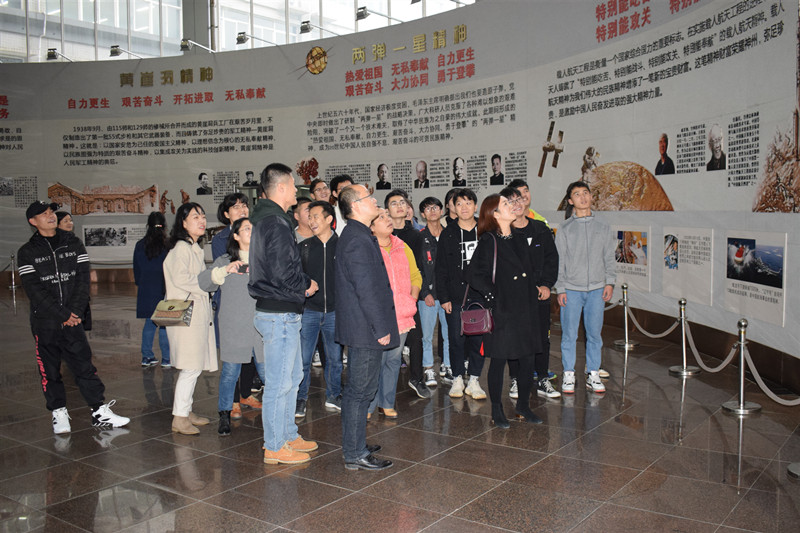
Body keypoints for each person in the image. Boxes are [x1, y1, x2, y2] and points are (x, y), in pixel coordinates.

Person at [18, 200, 130, 434]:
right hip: (45, 323)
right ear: (33, 221)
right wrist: (62, 314)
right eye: (44, 213)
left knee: (84, 366)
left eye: (51, 211)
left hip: (74, 320)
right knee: (49, 371)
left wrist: (75, 312)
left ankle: (99, 410)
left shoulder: (73, 243)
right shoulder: (27, 252)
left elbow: (82, 279)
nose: (50, 215)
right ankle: (58, 412)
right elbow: (34, 290)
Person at [248, 163, 319, 465]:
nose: (295, 190)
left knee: (293, 377)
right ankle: (274, 445)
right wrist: (306, 284)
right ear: (280, 187)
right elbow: (281, 271)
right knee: (279, 383)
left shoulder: (272, 219)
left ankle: (288, 434)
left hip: (282, 310)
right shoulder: (275, 222)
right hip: (279, 312)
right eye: (292, 185)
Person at [466, 194, 543, 427]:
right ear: (495, 214)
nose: (512, 206)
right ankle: (497, 409)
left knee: (527, 359)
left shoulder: (519, 237)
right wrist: (493, 297)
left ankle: (523, 406)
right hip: (503, 310)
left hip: (526, 308)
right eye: (506, 204)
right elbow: (473, 274)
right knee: (499, 360)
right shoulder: (489, 240)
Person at [336, 184, 397, 471]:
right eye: (369, 198)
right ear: (356, 205)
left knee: (364, 389)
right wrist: (380, 326)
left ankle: (356, 442)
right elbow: (366, 289)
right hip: (364, 328)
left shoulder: (359, 234)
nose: (375, 201)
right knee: (359, 391)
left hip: (364, 325)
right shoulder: (356, 239)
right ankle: (354, 452)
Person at [198, 218, 264, 436]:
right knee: (230, 373)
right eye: (246, 228)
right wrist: (225, 270)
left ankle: (277, 415)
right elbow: (204, 283)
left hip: (261, 327)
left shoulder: (263, 259)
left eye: (253, 228)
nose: (251, 231)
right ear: (235, 236)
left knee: (267, 372)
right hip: (234, 326)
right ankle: (224, 414)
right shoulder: (225, 261)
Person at [555, 182, 616, 395]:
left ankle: (593, 373)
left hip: (597, 289)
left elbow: (609, 257)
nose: (582, 197)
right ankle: (569, 373)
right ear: (570, 201)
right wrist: (561, 288)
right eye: (577, 194)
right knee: (569, 334)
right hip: (571, 289)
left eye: (585, 193)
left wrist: (609, 282)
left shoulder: (603, 226)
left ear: (591, 196)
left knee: (594, 334)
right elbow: (560, 261)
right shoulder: (565, 228)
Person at [163, 203, 217, 435]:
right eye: (195, 217)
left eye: (203, 216)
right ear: (183, 223)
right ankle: (180, 418)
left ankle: (186, 411)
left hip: (194, 314)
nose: (201, 220)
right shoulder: (181, 248)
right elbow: (182, 279)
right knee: (191, 367)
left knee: (193, 365)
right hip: (187, 315)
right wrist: (210, 280)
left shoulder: (193, 247)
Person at [502, 187, 560, 399]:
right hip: (513, 297)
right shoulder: (502, 232)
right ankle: (516, 379)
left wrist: (546, 285)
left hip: (539, 295)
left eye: (519, 199)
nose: (516, 204)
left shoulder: (540, 229)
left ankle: (542, 378)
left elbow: (551, 259)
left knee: (541, 338)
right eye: (510, 201)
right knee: (514, 338)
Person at [367, 209, 421, 418]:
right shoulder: (368, 248)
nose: (388, 219)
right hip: (379, 316)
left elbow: (415, 275)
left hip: (402, 314)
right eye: (381, 217)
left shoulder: (402, 246)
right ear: (371, 227)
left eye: (387, 216)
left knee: (393, 360)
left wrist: (412, 298)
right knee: (376, 362)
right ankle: (369, 406)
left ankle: (387, 403)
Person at [210, 193, 260, 417]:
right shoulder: (221, 239)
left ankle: (246, 393)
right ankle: (232, 401)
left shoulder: (256, 233)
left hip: (254, 303)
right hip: (232, 303)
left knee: (252, 354)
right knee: (234, 356)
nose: (242, 210)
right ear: (226, 213)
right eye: (236, 207)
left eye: (244, 205)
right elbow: (224, 269)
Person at [435, 188, 487, 400]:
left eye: (468, 203)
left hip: (481, 296)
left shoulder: (485, 231)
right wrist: (444, 298)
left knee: (478, 339)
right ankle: (457, 377)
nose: (464, 207)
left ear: (476, 206)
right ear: (453, 208)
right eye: (459, 204)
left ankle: (474, 379)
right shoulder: (448, 233)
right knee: (456, 339)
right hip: (456, 296)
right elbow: (441, 268)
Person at [296, 201, 343, 415]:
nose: (311, 221)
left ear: (329, 219)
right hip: (310, 311)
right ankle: (300, 398)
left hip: (335, 311)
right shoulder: (304, 248)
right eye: (309, 217)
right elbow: (296, 276)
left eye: (316, 216)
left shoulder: (342, 246)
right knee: (304, 359)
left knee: (335, 359)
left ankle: (334, 395)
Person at [385, 190, 430, 399]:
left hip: (408, 297)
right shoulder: (381, 235)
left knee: (416, 338)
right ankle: (385, 384)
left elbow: (419, 269)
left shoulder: (416, 236)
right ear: (387, 210)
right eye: (394, 203)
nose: (399, 206)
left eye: (402, 202)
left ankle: (417, 378)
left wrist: (414, 296)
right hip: (386, 299)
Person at [416, 196, 452, 386]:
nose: (432, 211)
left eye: (435, 207)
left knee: (448, 334)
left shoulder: (449, 235)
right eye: (428, 208)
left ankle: (447, 365)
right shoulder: (419, 238)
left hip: (447, 295)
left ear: (441, 210)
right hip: (428, 296)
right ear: (423, 214)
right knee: (427, 336)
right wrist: (424, 293)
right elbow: (416, 269)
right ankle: (429, 368)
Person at [133, 211, 171, 368]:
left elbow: (136, 269)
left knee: (149, 323)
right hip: (163, 288)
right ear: (164, 225)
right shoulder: (168, 245)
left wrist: (140, 283)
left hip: (146, 289)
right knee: (164, 324)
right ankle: (167, 358)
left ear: (148, 225)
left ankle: (146, 356)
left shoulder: (140, 245)